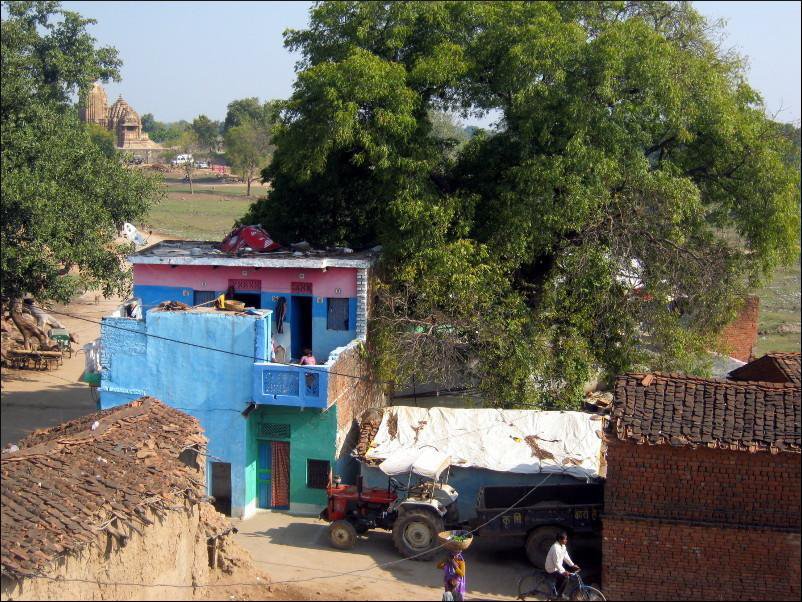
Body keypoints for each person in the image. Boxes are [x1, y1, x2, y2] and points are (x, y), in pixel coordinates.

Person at [545, 531, 579, 600]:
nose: (566, 540)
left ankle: (556, 592)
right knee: (566, 578)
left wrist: (573, 565)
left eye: (566, 539)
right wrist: (564, 571)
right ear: (560, 540)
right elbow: (556, 563)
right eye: (565, 539)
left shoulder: (563, 546)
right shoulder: (555, 548)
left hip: (557, 567)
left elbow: (566, 557)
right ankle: (558, 594)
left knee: (563, 577)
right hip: (551, 568)